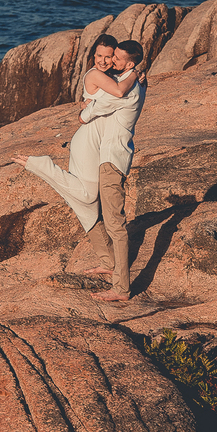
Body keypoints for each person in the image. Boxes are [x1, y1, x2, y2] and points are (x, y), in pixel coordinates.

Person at [11, 35, 142, 242]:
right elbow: (117, 93)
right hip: (88, 139)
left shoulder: (113, 76)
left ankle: (106, 257)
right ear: (92, 56)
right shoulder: (97, 75)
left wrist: (135, 74)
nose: (104, 61)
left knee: (91, 201)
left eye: (109, 57)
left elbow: (102, 97)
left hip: (96, 141)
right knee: (89, 196)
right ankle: (43, 166)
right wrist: (135, 74)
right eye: (99, 55)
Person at [82, 39, 146, 302]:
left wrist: (83, 114)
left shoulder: (125, 89)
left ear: (129, 63)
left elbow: (92, 110)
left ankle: (121, 289)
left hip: (112, 159)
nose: (112, 62)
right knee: (107, 216)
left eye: (117, 59)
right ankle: (110, 265)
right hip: (111, 155)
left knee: (116, 225)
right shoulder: (133, 79)